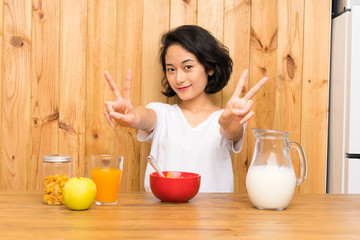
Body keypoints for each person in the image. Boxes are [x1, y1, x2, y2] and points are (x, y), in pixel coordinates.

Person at [104, 25, 268, 192]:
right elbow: (144, 117)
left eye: (188, 67)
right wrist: (132, 117)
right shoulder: (162, 114)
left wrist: (229, 125)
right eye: (171, 69)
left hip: (215, 216)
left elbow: (231, 131)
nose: (179, 78)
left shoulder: (228, 118)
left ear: (209, 68)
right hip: (160, 216)